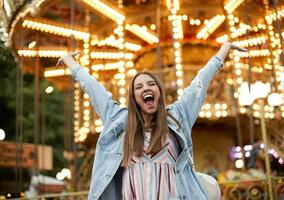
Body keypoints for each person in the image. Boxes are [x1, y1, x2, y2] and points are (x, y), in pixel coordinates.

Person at [57, 41, 247, 200]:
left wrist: (223, 51)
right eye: (139, 86)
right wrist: (71, 63)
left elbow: (200, 83)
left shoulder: (177, 116)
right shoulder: (120, 120)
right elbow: (94, 89)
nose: (146, 88)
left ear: (159, 92)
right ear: (133, 96)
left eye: (151, 84)